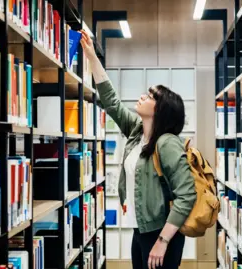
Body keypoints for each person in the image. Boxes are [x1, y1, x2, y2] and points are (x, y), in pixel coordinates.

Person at [79, 30, 197, 269]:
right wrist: (92, 56)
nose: (143, 96)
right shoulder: (137, 132)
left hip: (161, 234)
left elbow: (187, 196)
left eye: (151, 95)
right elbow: (111, 102)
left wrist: (163, 241)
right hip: (140, 229)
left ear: (161, 110)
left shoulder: (167, 143)